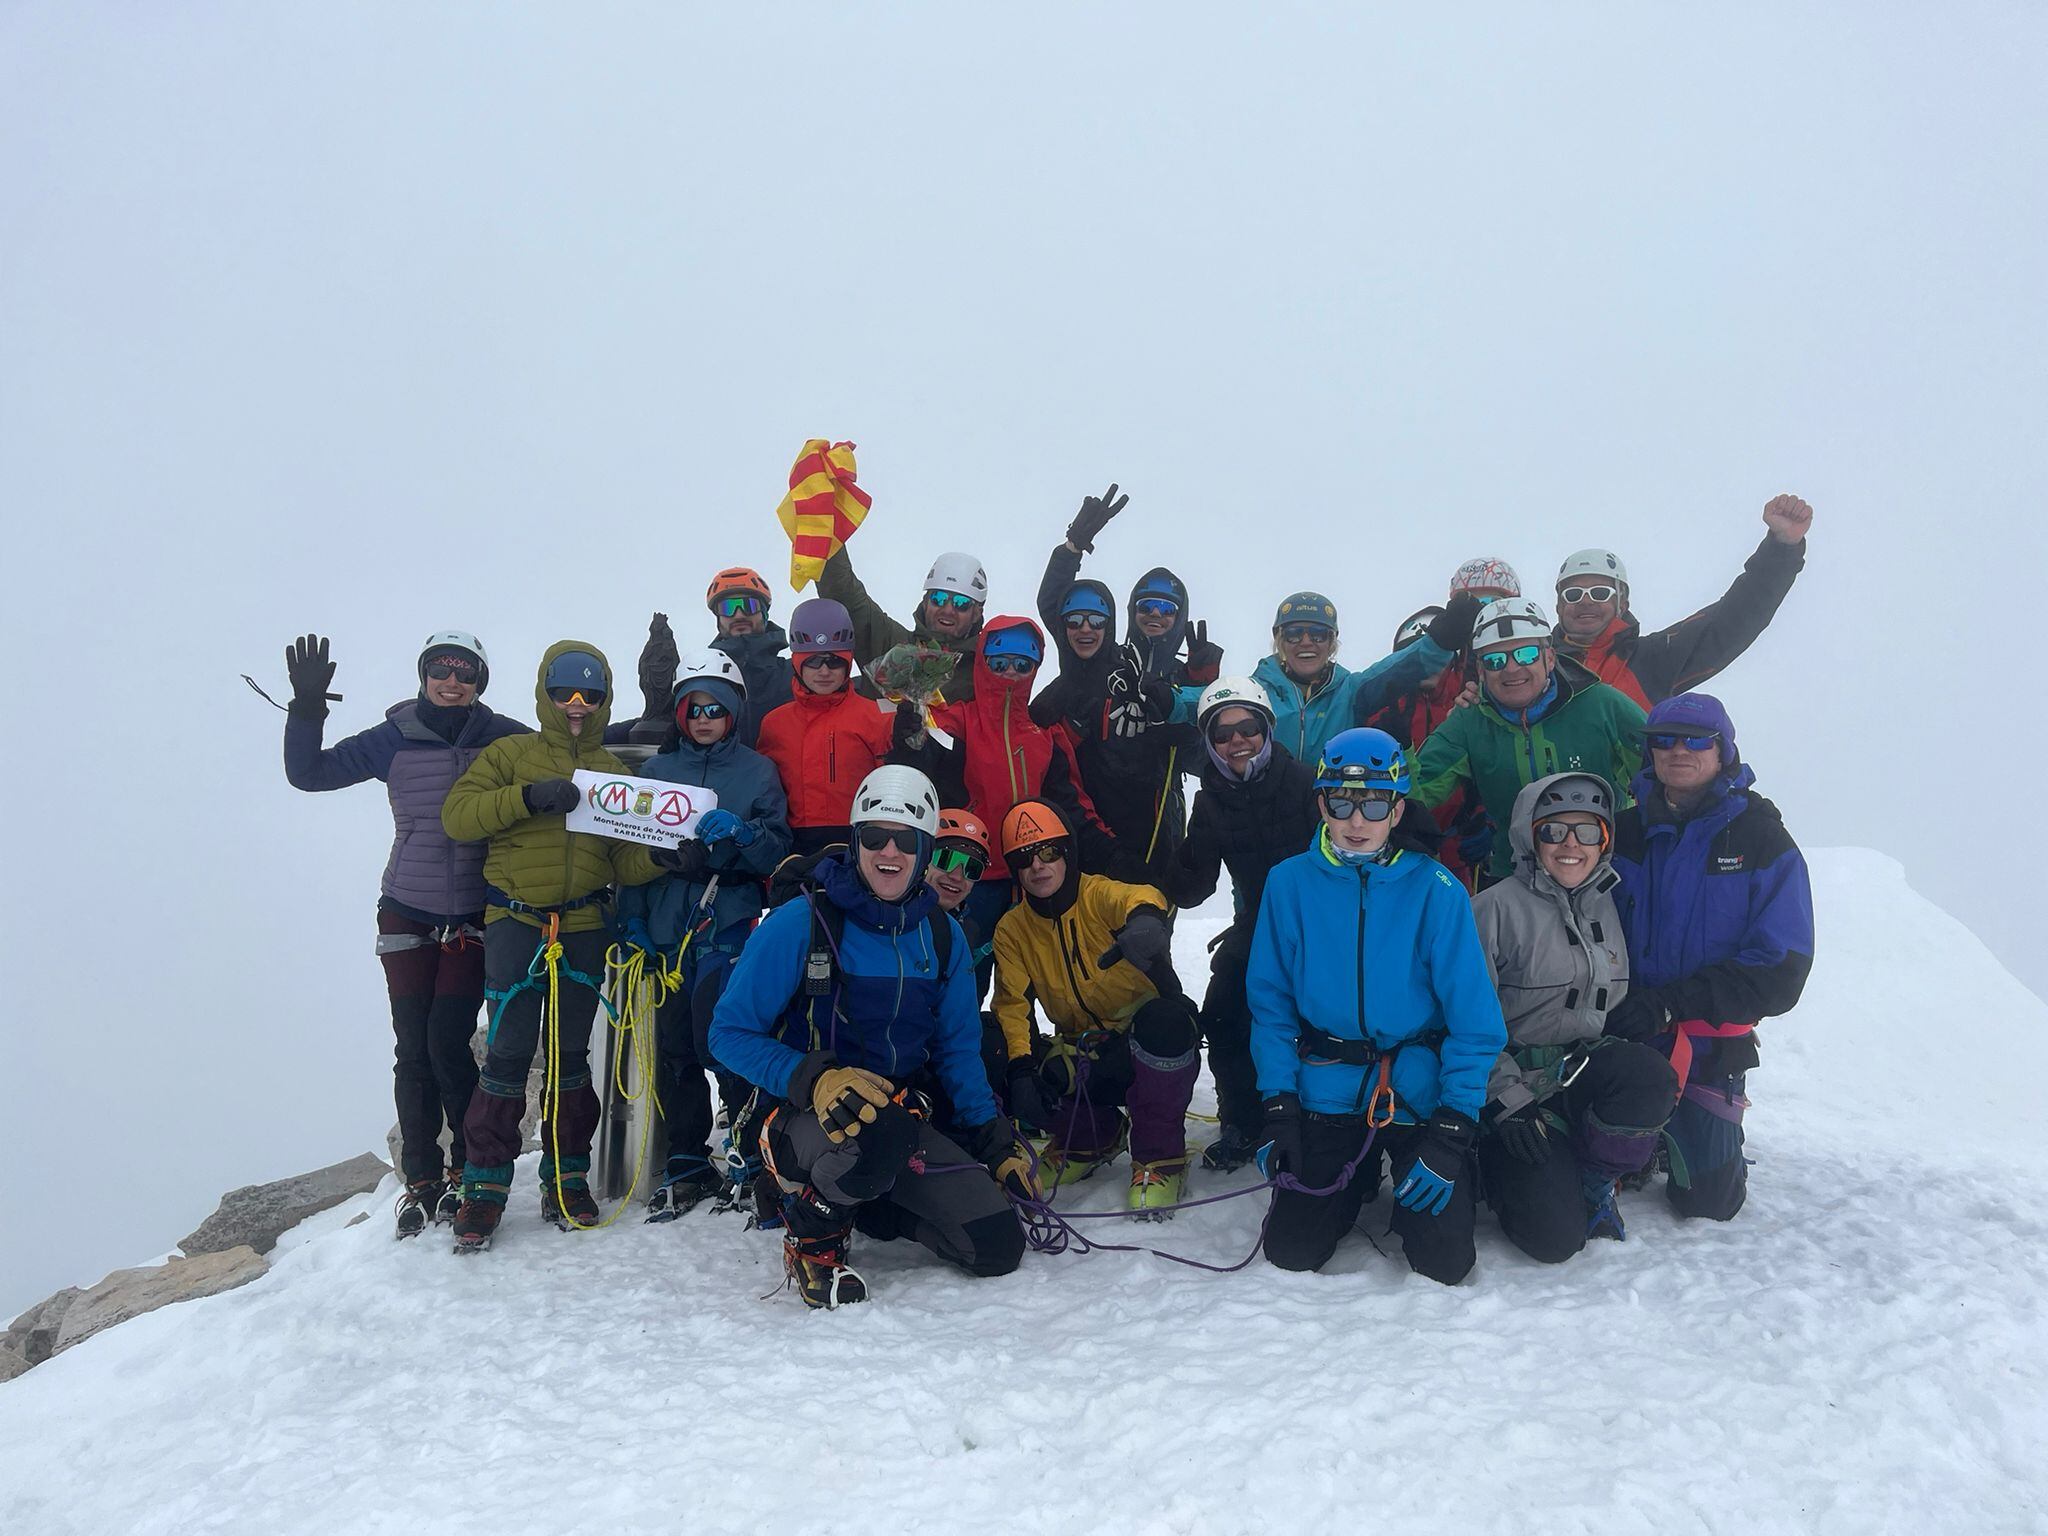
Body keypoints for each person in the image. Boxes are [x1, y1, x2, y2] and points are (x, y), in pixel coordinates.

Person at [708, 767, 1034, 1308]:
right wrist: (814, 1078)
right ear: (856, 840)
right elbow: (727, 1033)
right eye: (875, 836)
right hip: (799, 1116)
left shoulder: (942, 937)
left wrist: (995, 1143)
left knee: (994, 1245)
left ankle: (870, 1206)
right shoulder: (800, 923)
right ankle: (813, 1242)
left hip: (895, 1120)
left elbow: (958, 1050)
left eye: (906, 840)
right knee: (879, 1135)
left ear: (924, 851)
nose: (890, 851)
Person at [281, 630, 529, 1237]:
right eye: (441, 669)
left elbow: (566, 758)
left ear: (480, 683)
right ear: (423, 675)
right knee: (412, 1048)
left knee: (448, 1041)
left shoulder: (505, 738)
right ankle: (421, 1181)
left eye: (466, 673)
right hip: (406, 910)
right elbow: (308, 773)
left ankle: (467, 1170)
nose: (452, 682)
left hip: (474, 915)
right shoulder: (394, 737)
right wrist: (306, 707)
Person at [1247, 728, 1507, 1284]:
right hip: (1328, 1085)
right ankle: (1357, 1173)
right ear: (1322, 805)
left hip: (1416, 1091)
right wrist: (1278, 1105)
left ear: (1397, 809)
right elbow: (1271, 1005)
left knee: (1444, 1262)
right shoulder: (1288, 884)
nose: (1357, 820)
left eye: (1373, 803)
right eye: (1341, 802)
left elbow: (1475, 1022)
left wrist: (1453, 1130)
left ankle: (1432, 1170)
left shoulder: (1437, 889)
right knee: (1292, 1250)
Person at [439, 642, 665, 1252]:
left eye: (590, 693)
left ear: (604, 699)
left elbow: (624, 860)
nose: (576, 703)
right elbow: (458, 816)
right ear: (545, 692)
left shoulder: (613, 775)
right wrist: (528, 797)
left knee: (570, 1060)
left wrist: (663, 857)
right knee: (508, 1055)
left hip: (585, 925)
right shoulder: (510, 755)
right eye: (564, 691)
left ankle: (566, 1179)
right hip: (515, 922)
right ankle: (483, 1188)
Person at [1609, 692, 1813, 1222]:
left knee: (1708, 1202)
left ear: (1724, 751)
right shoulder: (1621, 834)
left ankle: (1702, 1137)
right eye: (1664, 740)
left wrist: (1673, 1003)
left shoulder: (1761, 839)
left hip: (1707, 1047)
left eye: (1697, 740)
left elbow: (1782, 966)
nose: (1679, 750)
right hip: (1621, 1036)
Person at [1472, 773, 1679, 1260]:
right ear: (1530, 837)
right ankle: (1497, 1167)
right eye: (1553, 830)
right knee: (1554, 1240)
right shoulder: (1491, 910)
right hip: (1513, 1089)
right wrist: (1505, 1101)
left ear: (1603, 840)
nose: (1571, 845)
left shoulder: (1608, 904)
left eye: (1587, 831)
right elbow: (1465, 1021)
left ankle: (1593, 1177)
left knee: (1649, 1074)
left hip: (1579, 1075)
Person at [617, 650, 792, 1220]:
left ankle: (748, 1151)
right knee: (674, 1050)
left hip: (728, 922)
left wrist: (744, 833)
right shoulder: (656, 773)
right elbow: (633, 853)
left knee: (725, 1040)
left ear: (734, 711)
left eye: (715, 708)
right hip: (667, 928)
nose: (703, 718)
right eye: (693, 708)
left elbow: (777, 851)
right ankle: (687, 1159)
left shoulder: (758, 771)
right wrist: (632, 917)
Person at [990, 801, 1201, 1217]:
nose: (1038, 866)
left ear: (1068, 853)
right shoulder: (1012, 929)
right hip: (1082, 1054)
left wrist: (1145, 919)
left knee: (1166, 1021)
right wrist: (1020, 1070)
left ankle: (1160, 1160)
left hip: (1139, 1048)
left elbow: (1140, 895)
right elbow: (1012, 1006)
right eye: (1024, 858)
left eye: (1049, 851)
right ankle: (1088, 1139)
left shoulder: (1097, 894)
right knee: (997, 1045)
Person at [1159, 677, 1320, 1172]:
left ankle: (1325, 1115)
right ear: (1209, 742)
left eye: (1248, 728)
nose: (1237, 741)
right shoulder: (1210, 800)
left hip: (1321, 921)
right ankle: (1243, 1120)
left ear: (1267, 729)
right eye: (1222, 734)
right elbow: (1194, 888)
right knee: (1225, 1008)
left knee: (1320, 1012)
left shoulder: (1306, 782)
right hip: (1259, 924)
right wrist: (1178, 860)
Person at [906, 616, 1114, 991]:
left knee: (1025, 984)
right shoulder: (956, 720)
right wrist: (908, 735)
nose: (1011, 672)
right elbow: (916, 768)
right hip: (970, 877)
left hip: (1030, 876)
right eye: (1000, 663)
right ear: (983, 662)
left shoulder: (1044, 732)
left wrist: (1113, 854)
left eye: (1023, 664)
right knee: (961, 977)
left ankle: (1016, 1033)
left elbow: (1072, 805)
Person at [1030, 487, 1221, 886]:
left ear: (1179, 616)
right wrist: (1070, 549)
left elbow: (1202, 762)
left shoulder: (1183, 679)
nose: (1155, 615)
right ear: (1131, 612)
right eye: (1146, 606)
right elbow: (1058, 610)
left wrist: (1201, 691)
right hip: (1093, 830)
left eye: (1166, 609)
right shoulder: (1108, 660)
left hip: (1159, 832)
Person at [1409, 597, 1646, 886]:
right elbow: (1416, 790)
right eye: (1495, 660)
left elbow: (1661, 768)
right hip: (1515, 879)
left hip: (1605, 873)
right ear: (1481, 671)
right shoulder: (1468, 720)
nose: (1511, 669)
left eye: (1526, 654)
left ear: (1550, 658)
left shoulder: (1602, 704)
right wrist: (1396, 749)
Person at [1550, 493, 1813, 708]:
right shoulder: (1535, 663)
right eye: (1573, 595)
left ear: (1623, 604)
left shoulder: (1653, 660)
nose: (1586, 602)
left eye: (1600, 593)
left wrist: (1782, 547)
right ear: (1559, 607)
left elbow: (1733, 619)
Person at [1363, 561, 1518, 888]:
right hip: (1400, 844)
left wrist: (1488, 821)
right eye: (1413, 654)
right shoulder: (1383, 711)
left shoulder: (1477, 693)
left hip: (1463, 849)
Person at [1249, 590, 1463, 772]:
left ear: (1332, 641)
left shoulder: (1352, 692)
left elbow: (1397, 670)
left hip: (1335, 805)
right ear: (1279, 639)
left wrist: (1441, 641)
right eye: (1294, 633)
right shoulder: (1252, 693)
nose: (1306, 642)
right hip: (1267, 806)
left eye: (1318, 634)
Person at [754, 597, 900, 856]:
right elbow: (764, 791)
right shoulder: (774, 724)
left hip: (860, 844)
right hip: (795, 848)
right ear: (797, 663)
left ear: (848, 662)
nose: (824, 671)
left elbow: (893, 785)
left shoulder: (877, 716)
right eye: (813, 661)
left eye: (834, 661)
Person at [815, 536, 989, 704]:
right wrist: (824, 529)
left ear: (976, 613)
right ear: (925, 602)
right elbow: (843, 593)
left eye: (961, 603)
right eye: (938, 598)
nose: (948, 610)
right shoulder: (890, 643)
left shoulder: (987, 670)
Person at [631, 567, 791, 746]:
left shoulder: (795, 674)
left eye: (749, 606)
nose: (739, 614)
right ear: (718, 618)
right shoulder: (698, 674)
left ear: (765, 613)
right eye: (728, 608)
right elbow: (664, 716)